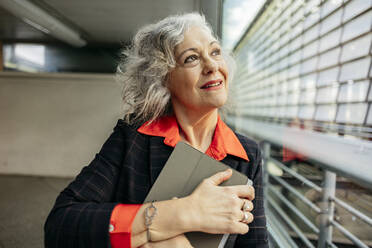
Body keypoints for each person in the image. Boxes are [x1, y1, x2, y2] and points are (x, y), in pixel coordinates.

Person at [44, 13, 268, 248]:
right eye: (191, 58)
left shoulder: (247, 154)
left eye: (214, 52)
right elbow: (61, 225)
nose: (212, 66)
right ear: (163, 78)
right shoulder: (133, 138)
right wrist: (181, 214)